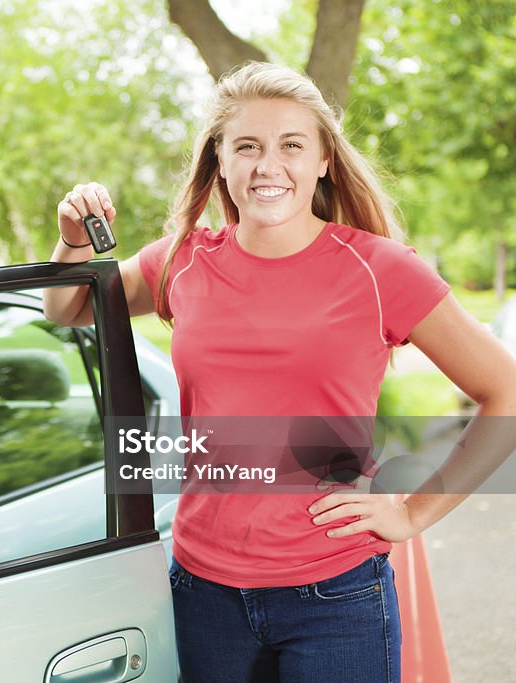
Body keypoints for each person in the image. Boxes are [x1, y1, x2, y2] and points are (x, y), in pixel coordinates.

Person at [43, 61, 516, 682]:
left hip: (336, 595)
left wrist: (413, 512)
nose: (269, 166)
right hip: (204, 592)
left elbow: (504, 391)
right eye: (247, 146)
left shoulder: (380, 270)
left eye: (292, 145)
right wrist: (73, 239)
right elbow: (70, 307)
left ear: (322, 160)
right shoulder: (182, 262)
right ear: (219, 161)